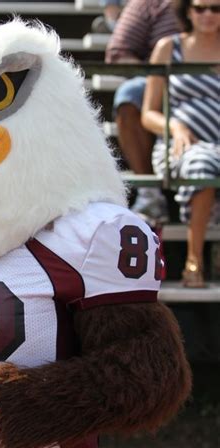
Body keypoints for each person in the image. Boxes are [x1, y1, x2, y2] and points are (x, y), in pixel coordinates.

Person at [141, 0, 220, 287]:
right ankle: (193, 261)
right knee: (202, 162)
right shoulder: (167, 47)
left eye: (216, 8)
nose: (208, 14)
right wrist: (175, 126)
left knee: (208, 159)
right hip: (179, 147)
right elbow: (147, 113)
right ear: (188, 11)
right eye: (201, 8)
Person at [105, 0, 180, 225]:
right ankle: (150, 194)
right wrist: (159, 80)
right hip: (160, 85)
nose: (207, 13)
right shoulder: (149, 4)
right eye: (200, 8)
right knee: (130, 94)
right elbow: (118, 52)